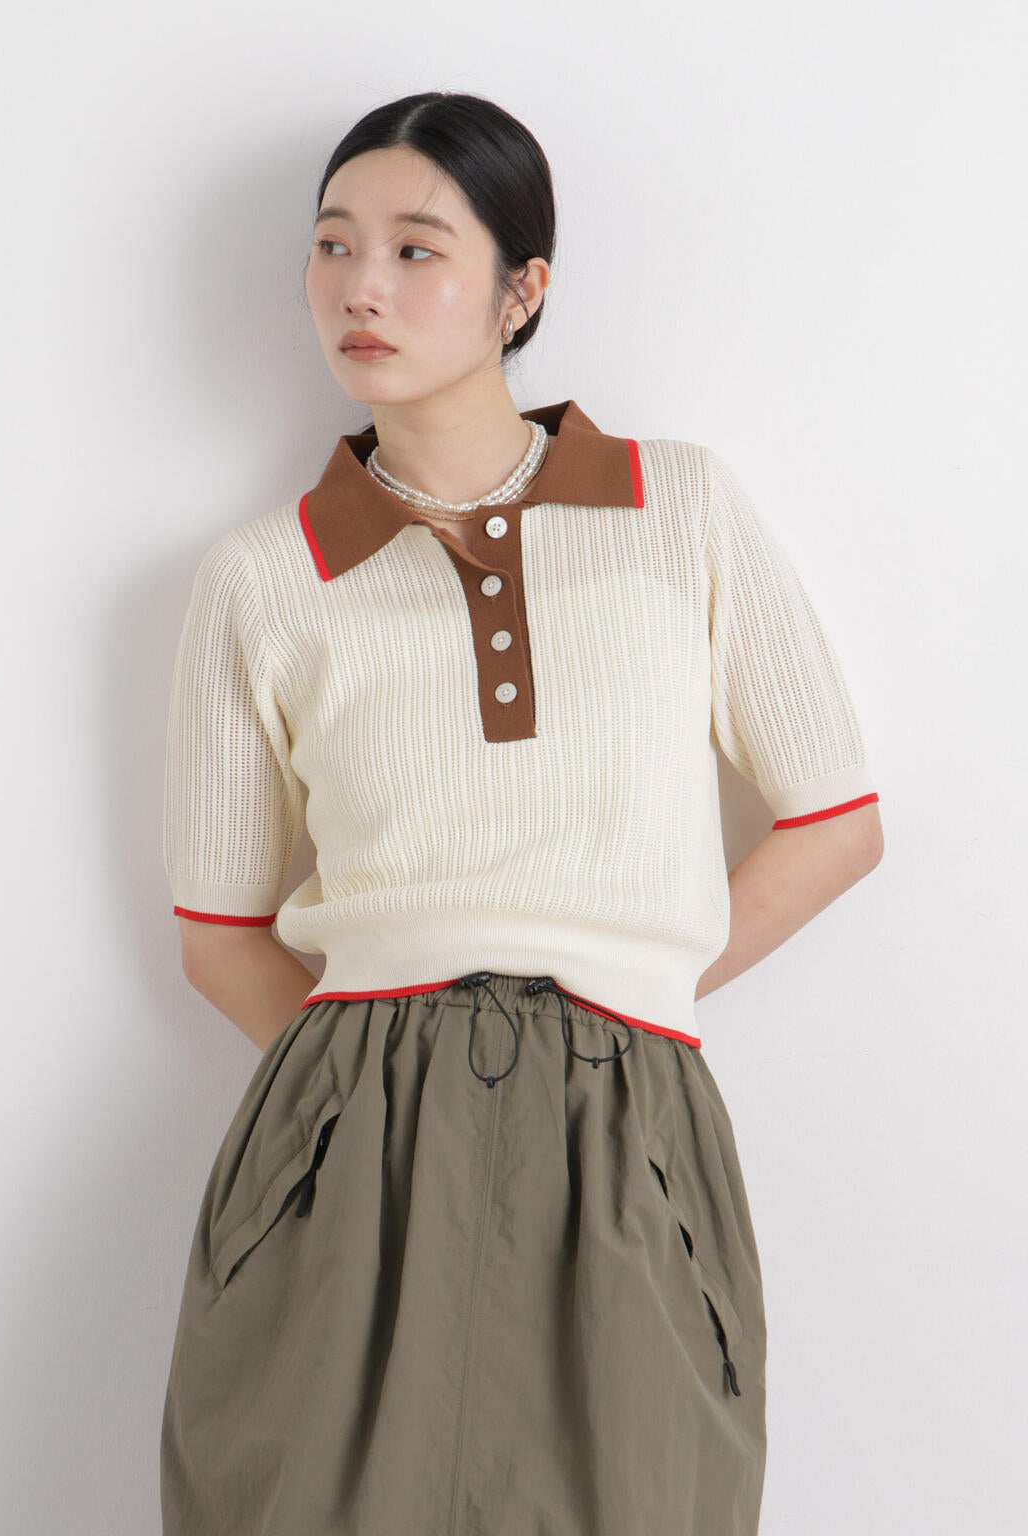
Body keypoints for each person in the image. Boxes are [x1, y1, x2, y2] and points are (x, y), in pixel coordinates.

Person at [157, 90, 884, 1536]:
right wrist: (365, 1082)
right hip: (354, 1126)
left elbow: (837, 822)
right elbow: (219, 933)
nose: (361, 287)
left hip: (628, 1110)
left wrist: (624, 989)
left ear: (521, 290)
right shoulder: (264, 576)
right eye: (332, 245)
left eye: (416, 249)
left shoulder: (678, 509)